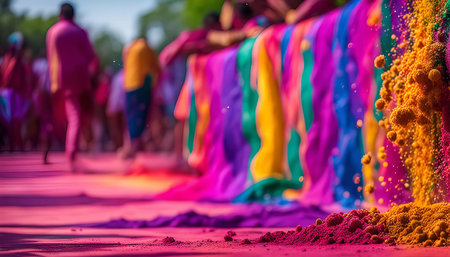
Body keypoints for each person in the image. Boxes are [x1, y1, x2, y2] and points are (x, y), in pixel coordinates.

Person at [46, 3, 98, 170]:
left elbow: (51, 57)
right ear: (73, 16)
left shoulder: (53, 32)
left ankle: (61, 150)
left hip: (59, 79)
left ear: (60, 15)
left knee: (64, 116)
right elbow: (91, 57)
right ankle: (73, 153)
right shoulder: (80, 32)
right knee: (78, 116)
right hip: (80, 79)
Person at [122, 38, 161, 158]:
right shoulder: (148, 48)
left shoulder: (128, 48)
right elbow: (157, 69)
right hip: (143, 83)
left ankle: (131, 147)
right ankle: (134, 147)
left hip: (129, 85)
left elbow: (125, 65)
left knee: (131, 116)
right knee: (140, 116)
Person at [0, 32, 34, 151]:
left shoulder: (7, 59)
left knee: (12, 119)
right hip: (14, 92)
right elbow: (11, 77)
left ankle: (14, 144)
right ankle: (15, 144)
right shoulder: (15, 60)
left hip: (9, 92)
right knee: (15, 119)